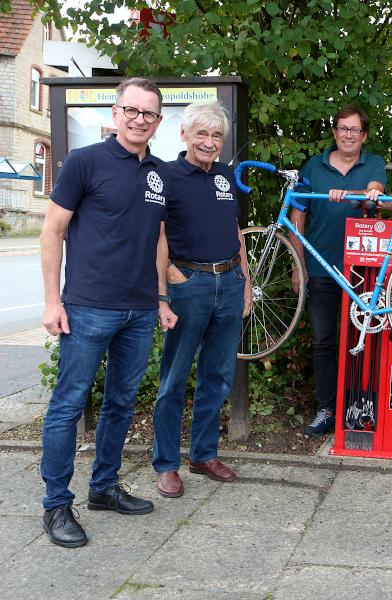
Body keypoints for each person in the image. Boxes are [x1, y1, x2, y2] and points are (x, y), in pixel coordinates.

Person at [39, 78, 176, 548]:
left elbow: (158, 239)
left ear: (159, 122)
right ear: (116, 113)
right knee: (68, 405)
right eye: (132, 111)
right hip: (87, 308)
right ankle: (57, 504)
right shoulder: (85, 162)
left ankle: (103, 488)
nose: (140, 120)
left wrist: (160, 299)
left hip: (139, 310)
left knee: (121, 404)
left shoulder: (158, 172)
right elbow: (52, 231)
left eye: (149, 114)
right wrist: (53, 301)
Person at [152, 101, 252, 498]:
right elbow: (155, 235)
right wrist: (167, 283)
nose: (209, 142)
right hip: (187, 284)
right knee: (174, 378)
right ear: (184, 135)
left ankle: (203, 454)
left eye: (216, 136)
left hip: (228, 283)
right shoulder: (167, 175)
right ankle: (165, 464)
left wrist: (245, 280)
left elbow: (236, 229)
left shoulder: (226, 175)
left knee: (219, 375)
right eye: (202, 134)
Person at [290, 106, 387, 436]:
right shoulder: (313, 166)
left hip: (363, 270)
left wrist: (358, 193)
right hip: (320, 267)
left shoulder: (372, 162)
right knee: (323, 341)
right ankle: (327, 409)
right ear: (334, 132)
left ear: (364, 135)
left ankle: (360, 407)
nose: (348, 134)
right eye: (343, 128)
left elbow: (376, 189)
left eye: (355, 130)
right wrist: (297, 265)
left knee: (363, 340)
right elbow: (297, 215)